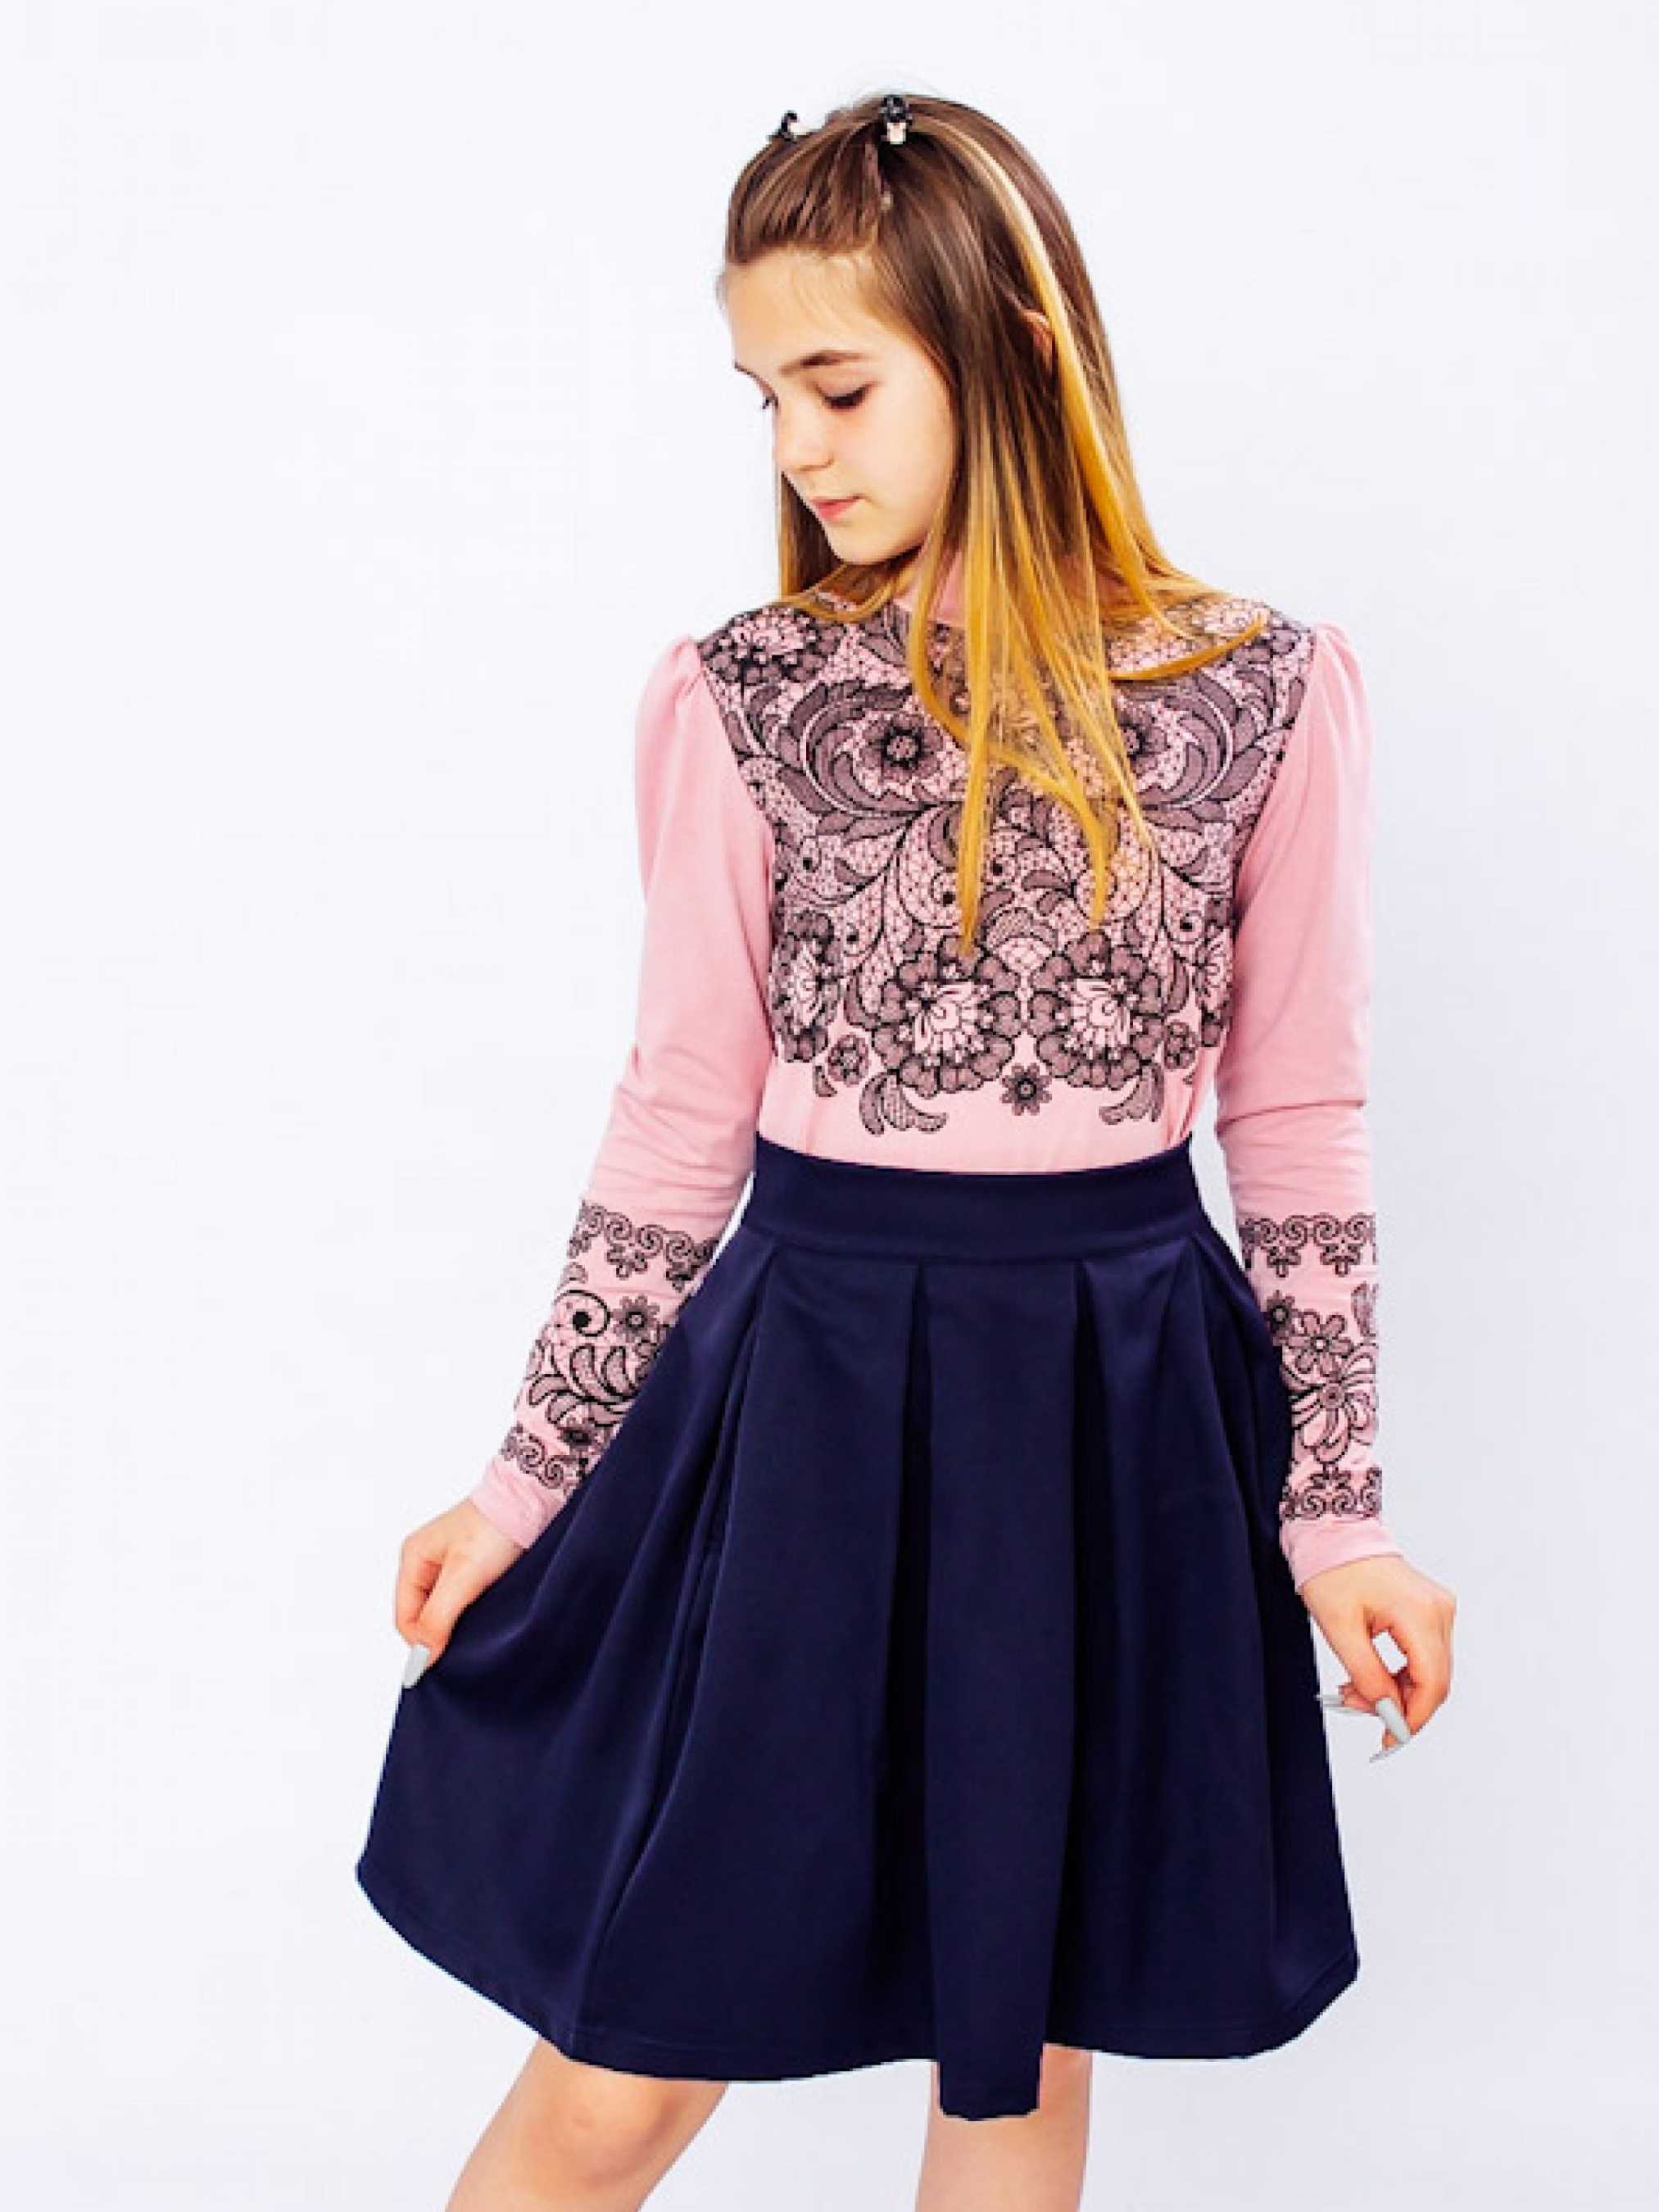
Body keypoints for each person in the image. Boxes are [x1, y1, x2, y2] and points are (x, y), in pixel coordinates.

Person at [355, 88, 1457, 2212]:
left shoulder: (1264, 694)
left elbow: (1297, 1115)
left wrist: (1337, 1521)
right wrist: (524, 1482)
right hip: (808, 1405)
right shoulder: (748, 698)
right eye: (765, 394)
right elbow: (680, 1118)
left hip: (1112, 1413)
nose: (798, 445)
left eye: (840, 385)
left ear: (1011, 346)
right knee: (625, 2056)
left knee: (1013, 2050)